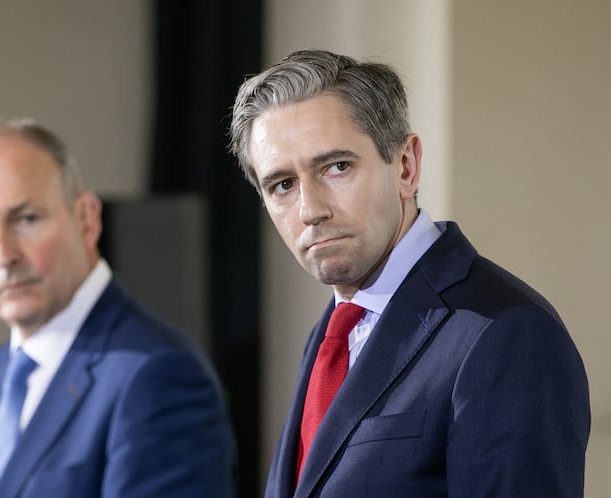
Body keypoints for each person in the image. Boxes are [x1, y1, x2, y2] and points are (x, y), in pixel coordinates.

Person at [229, 49, 590, 497]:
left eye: (337, 167)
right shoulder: (335, 330)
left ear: (406, 166)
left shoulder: (509, 332)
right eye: (283, 184)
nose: (310, 210)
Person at [0, 118, 236, 498]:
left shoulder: (158, 373)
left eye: (26, 219)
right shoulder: (0, 369)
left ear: (86, 219)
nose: (3, 255)